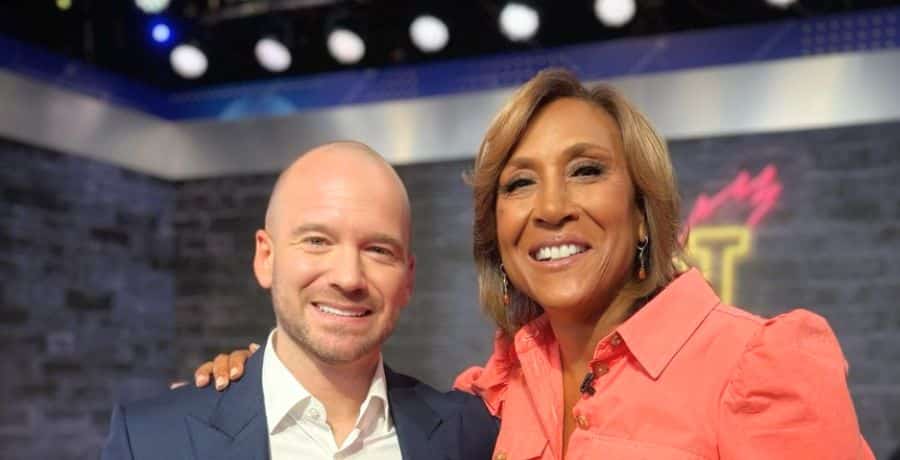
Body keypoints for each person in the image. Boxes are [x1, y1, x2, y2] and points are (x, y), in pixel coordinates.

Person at [197, 70, 874, 459]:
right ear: (498, 230)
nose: (550, 207)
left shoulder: (758, 364)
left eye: (585, 170)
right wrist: (262, 377)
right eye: (519, 183)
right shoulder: (488, 398)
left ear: (643, 209)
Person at [101, 142, 498, 460]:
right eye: (317, 241)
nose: (348, 277)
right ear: (265, 257)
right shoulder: (153, 441)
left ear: (408, 278)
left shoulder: (471, 436)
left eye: (378, 250)